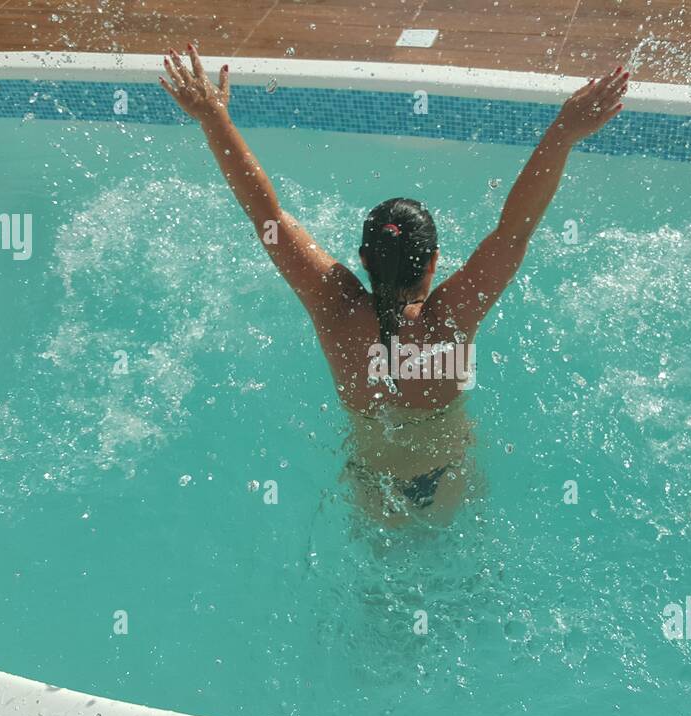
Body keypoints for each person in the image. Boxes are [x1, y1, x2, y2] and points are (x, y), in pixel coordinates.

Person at [161, 46, 628, 525]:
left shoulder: (335, 307)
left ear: (364, 259)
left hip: (372, 485)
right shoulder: (450, 317)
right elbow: (514, 229)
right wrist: (564, 132)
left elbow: (267, 216)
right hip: (447, 478)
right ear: (434, 262)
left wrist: (212, 118)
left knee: (375, 598)